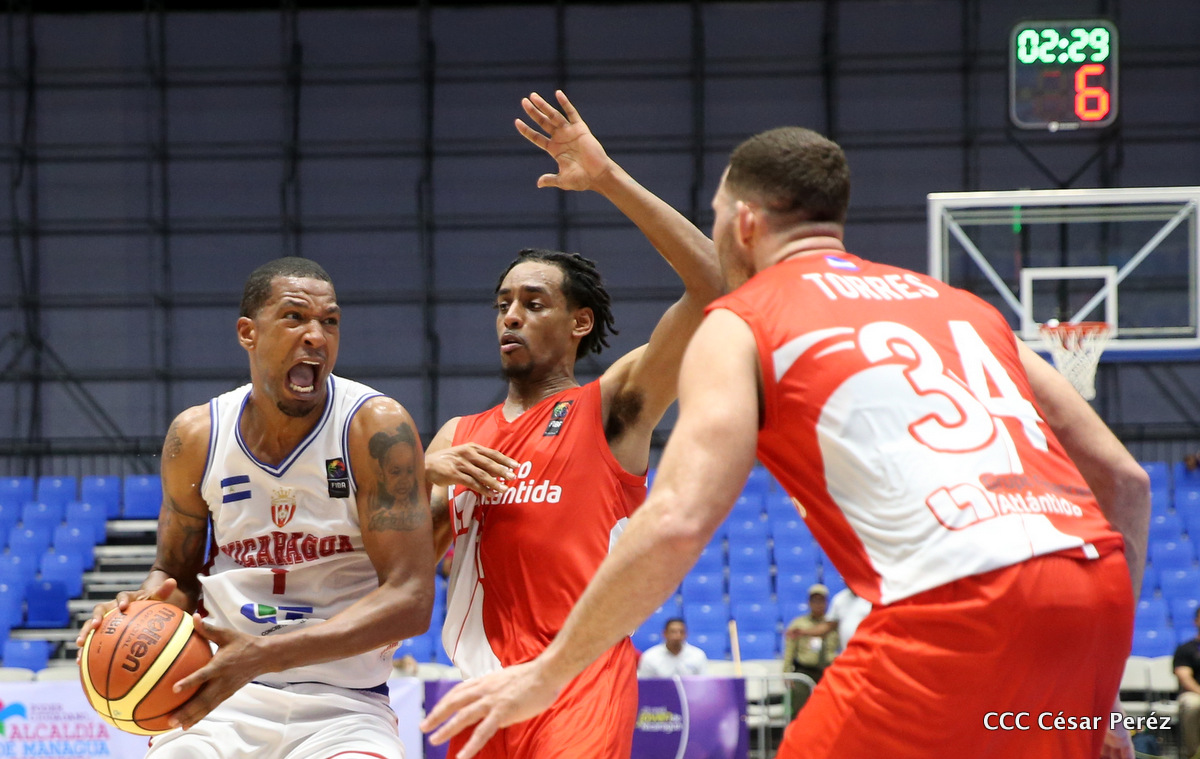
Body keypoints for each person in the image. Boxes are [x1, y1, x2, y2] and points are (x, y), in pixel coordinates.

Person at [421, 125, 1151, 759]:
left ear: (742, 224)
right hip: (1093, 595)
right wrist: (1100, 685)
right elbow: (1124, 481)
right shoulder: (965, 307)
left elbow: (677, 519)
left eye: (713, 216)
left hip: (953, 597)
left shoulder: (747, 319)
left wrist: (547, 675)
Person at [419, 90, 721, 759]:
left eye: (534, 302)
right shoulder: (455, 437)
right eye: (503, 303)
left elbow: (716, 287)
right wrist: (414, 475)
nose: (511, 315)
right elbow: (398, 563)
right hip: (481, 689)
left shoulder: (611, 405)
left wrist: (606, 177)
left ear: (580, 322)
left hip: (580, 681)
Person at [76, 257, 436, 758]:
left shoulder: (373, 427)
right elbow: (174, 574)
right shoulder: (196, 436)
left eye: (329, 321)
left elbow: (412, 600)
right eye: (294, 317)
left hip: (345, 708)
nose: (316, 336)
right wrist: (137, 611)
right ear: (248, 332)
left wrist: (263, 654)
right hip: (221, 699)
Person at [782, 584, 837, 712]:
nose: (818, 604)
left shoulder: (832, 624)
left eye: (821, 600)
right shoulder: (799, 624)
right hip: (805, 670)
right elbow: (789, 650)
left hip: (827, 670)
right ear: (809, 602)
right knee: (800, 706)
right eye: (814, 600)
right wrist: (786, 672)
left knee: (829, 709)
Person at [637, 618, 708, 678]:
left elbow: (703, 683)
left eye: (681, 632)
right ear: (665, 633)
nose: (677, 636)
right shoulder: (650, 656)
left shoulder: (698, 655)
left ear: (686, 634)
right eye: (673, 632)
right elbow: (644, 684)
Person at [1173, 607, 1200, 759]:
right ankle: (1193, 754)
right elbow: (1184, 677)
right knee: (1193, 705)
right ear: (1196, 621)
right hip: (1194, 693)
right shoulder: (1186, 649)